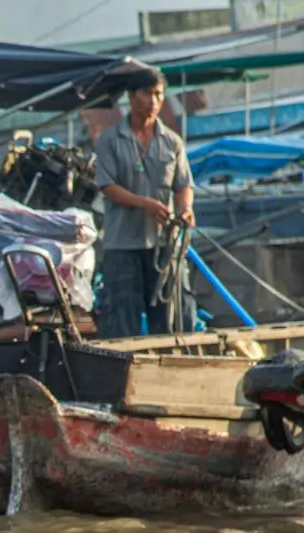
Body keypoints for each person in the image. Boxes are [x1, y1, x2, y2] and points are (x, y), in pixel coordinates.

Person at [94, 67, 195, 338]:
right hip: (123, 246)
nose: (153, 101)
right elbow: (108, 187)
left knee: (174, 320)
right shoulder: (110, 140)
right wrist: (145, 204)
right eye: (147, 94)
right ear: (131, 96)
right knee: (121, 322)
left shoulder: (172, 142)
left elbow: (184, 184)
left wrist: (185, 209)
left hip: (163, 246)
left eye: (158, 94)